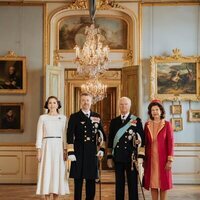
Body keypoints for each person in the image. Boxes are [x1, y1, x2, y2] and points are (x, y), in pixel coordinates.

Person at [67, 93, 106, 200]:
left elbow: (102, 134)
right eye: (83, 100)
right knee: (78, 181)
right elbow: (70, 135)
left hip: (92, 152)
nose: (85, 102)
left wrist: (102, 149)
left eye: (87, 100)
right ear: (80, 102)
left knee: (91, 181)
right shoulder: (74, 116)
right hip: (78, 152)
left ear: (91, 102)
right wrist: (70, 152)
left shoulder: (96, 116)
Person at [107, 96, 145, 200]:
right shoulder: (114, 121)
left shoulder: (136, 120)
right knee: (119, 183)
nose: (123, 106)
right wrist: (109, 157)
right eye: (121, 104)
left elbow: (142, 140)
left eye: (126, 104)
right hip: (118, 157)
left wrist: (140, 156)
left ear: (130, 105)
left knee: (132, 183)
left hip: (131, 157)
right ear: (119, 106)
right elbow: (110, 140)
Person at [36, 96, 70, 200]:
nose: (52, 105)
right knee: (46, 171)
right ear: (47, 105)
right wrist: (39, 150)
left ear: (58, 104)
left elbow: (64, 135)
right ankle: (46, 197)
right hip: (46, 147)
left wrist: (65, 150)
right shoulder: (42, 118)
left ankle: (56, 198)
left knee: (57, 172)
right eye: (50, 103)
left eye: (54, 103)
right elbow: (39, 134)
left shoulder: (63, 118)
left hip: (59, 147)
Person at [143, 99, 174, 200]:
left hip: (163, 159)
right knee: (153, 183)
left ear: (161, 111)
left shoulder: (167, 124)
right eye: (153, 110)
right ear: (150, 112)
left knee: (163, 184)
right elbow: (145, 143)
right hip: (151, 160)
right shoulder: (147, 125)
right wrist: (143, 158)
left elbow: (171, 143)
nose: (155, 112)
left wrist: (169, 160)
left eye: (157, 109)